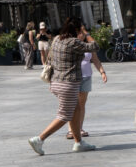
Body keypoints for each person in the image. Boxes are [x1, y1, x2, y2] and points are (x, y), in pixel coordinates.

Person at [28, 17, 98, 154]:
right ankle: (39, 139)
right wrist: (87, 33)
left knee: (76, 109)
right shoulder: (74, 42)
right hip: (68, 84)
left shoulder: (57, 39)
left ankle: (78, 143)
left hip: (56, 82)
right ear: (77, 30)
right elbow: (95, 46)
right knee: (64, 115)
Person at [67, 24, 107, 140]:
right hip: (73, 77)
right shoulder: (72, 44)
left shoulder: (88, 46)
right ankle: (71, 130)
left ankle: (79, 128)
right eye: (80, 32)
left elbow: (95, 60)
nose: (82, 35)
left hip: (86, 77)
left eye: (84, 32)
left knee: (81, 105)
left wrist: (102, 72)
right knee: (73, 104)